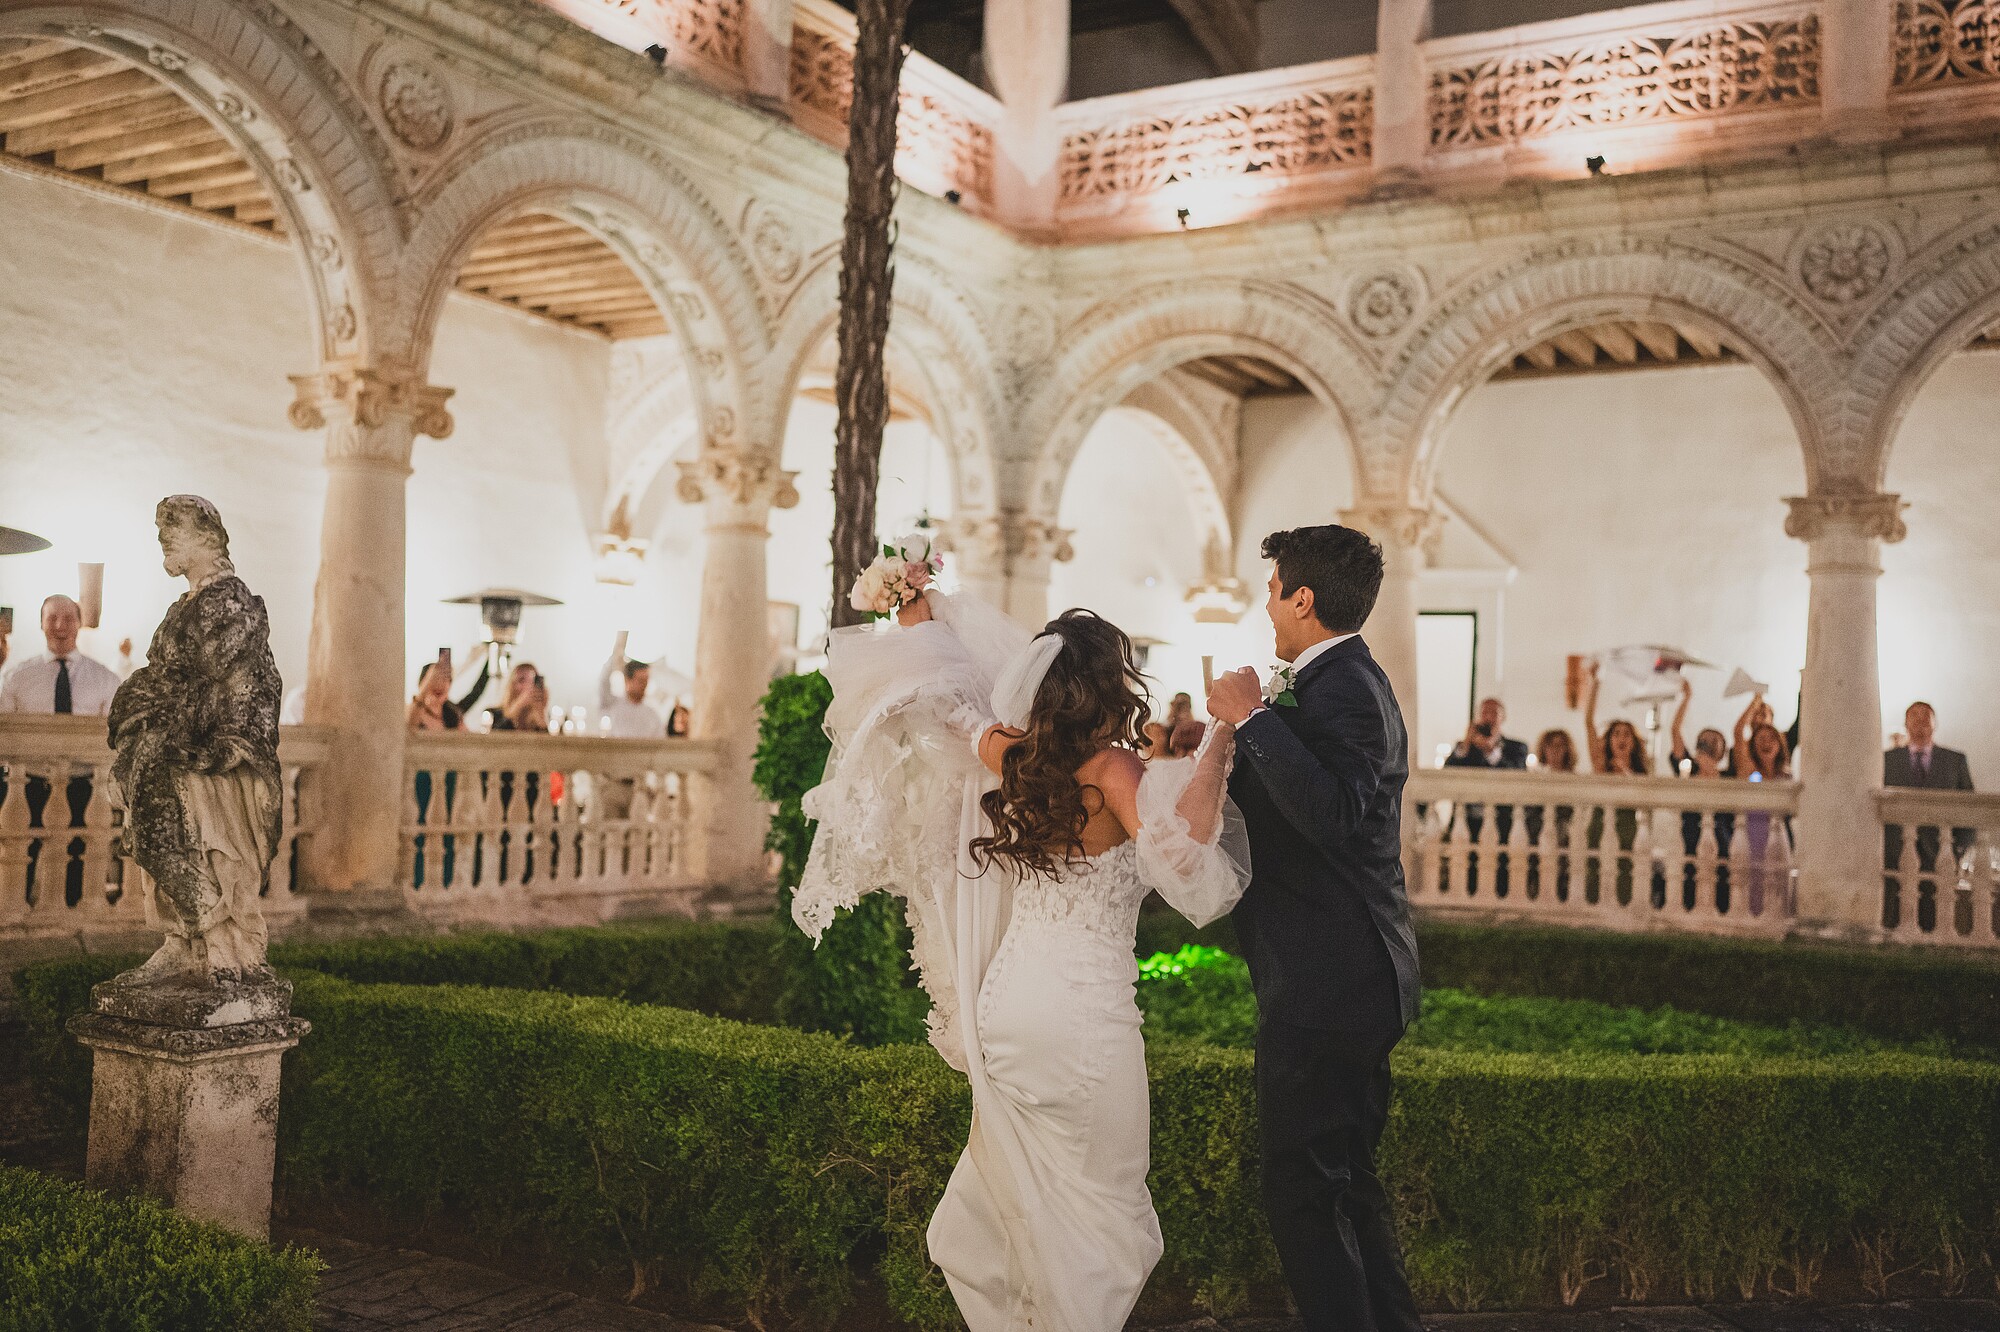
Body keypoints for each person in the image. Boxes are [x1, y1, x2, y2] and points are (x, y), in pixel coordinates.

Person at [794, 592, 1248, 1332]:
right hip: (1083, 1015)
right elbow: (1185, 865)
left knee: (1020, 1202)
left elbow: (949, 707)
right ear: (1110, 687)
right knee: (1106, 1210)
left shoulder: (1019, 759)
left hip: (1009, 1009)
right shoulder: (1115, 770)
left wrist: (921, 617)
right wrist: (1224, 732)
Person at [1206, 524, 1422, 1332]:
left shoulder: (1345, 687)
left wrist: (1255, 720)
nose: (1266, 604)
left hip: (1331, 984)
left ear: (1302, 597)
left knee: (1301, 1191)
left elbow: (1334, 815)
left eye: (1272, 590)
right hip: (1349, 975)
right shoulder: (1340, 682)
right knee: (1347, 1185)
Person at [106, 496, 282, 983]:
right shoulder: (185, 604)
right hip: (171, 747)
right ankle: (183, 941)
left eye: (172, 530)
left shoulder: (230, 601)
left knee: (194, 843)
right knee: (159, 840)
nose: (163, 539)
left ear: (207, 536)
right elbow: (166, 676)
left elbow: (228, 682)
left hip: (205, 754)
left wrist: (176, 720)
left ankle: (221, 944)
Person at [0, 595, 122, 905]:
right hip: (29, 781)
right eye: (52, 617)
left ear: (80, 624)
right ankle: (17, 913)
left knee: (79, 853)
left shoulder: (105, 679)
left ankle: (74, 913)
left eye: (68, 618)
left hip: (84, 782)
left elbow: (115, 736)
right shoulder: (17, 676)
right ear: (41, 623)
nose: (60, 626)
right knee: (19, 851)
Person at [1882, 701, 1974, 928]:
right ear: (1905, 723)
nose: (1920, 721)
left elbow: (1970, 808)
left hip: (1940, 852)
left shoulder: (1954, 760)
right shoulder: (1887, 760)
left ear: (1935, 724)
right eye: (1914, 716)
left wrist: (1959, 848)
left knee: (1934, 917)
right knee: (1893, 916)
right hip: (1895, 852)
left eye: (1926, 716)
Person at [1442, 697, 1528, 894]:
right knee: (1465, 868)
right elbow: (1447, 773)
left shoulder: (1517, 748)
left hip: (1501, 821)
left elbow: (1517, 775)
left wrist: (1490, 751)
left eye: (1494, 713)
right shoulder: (1464, 748)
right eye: (1484, 712)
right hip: (1468, 819)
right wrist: (1466, 743)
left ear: (1503, 718)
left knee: (1499, 868)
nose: (1488, 717)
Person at [1581, 660, 1647, 905]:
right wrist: (1596, 683)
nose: (1621, 738)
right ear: (1609, 740)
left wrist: (1626, 774)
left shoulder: (1640, 770)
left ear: (1633, 741)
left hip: (1628, 825)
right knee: (1596, 869)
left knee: (1625, 871)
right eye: (1616, 734)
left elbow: (1643, 796)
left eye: (1626, 734)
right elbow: (1589, 723)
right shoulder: (1601, 766)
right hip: (1600, 822)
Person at [1670, 677, 1736, 911]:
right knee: (1690, 879)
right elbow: (1675, 732)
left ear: (1722, 749)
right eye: (1704, 739)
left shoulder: (1729, 776)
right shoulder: (1688, 768)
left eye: (1714, 740)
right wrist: (1686, 699)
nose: (1707, 742)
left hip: (1722, 836)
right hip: (1690, 833)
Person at [1731, 694, 1794, 917]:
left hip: (1777, 833)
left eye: (1771, 739)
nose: (1766, 743)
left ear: (1778, 744)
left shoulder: (1786, 775)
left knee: (1779, 878)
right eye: (1761, 739)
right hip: (1752, 831)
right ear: (1754, 745)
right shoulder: (1749, 770)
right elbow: (1738, 732)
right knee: (1752, 879)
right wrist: (1755, 701)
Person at [1526, 728, 1579, 902]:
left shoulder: (1575, 779)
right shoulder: (1537, 777)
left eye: (1560, 746)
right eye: (1550, 746)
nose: (1555, 751)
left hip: (1563, 833)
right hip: (1537, 832)